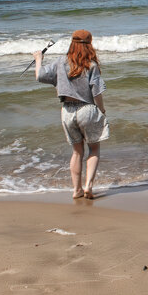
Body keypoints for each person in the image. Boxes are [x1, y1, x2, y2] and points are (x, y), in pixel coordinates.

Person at [34, 30, 109, 199]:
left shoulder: (60, 62)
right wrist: (102, 110)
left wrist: (39, 59)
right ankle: (88, 185)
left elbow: (39, 76)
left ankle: (76, 190)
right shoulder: (91, 65)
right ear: (89, 44)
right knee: (94, 148)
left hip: (67, 111)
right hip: (87, 109)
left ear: (72, 43)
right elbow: (96, 92)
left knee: (77, 152)